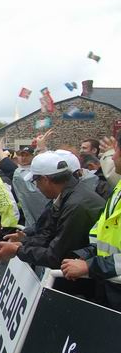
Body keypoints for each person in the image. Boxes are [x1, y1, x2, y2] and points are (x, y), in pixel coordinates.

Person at [0, 152, 105, 272]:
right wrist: (23, 242)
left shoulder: (75, 205)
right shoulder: (66, 196)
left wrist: (16, 250)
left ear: (45, 180)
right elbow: (48, 234)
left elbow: (56, 256)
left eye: (35, 181)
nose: (37, 187)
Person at [62, 133, 121, 311]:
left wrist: (89, 266)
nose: (114, 157)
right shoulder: (119, 186)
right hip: (109, 282)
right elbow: (102, 231)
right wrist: (87, 253)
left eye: (117, 151)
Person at [0, 140, 48, 229]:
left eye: (37, 179)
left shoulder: (24, 177)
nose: (23, 158)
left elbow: (15, 173)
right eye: (22, 155)